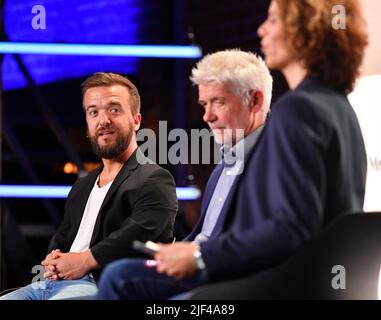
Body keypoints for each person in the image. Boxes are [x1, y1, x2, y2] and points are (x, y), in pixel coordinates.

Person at [187, 0, 369, 299]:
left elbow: (290, 229)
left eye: (272, 20)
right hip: (328, 285)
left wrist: (199, 257)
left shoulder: (298, 108)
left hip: (283, 286)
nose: (262, 30)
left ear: (304, 32)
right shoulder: (339, 106)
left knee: (120, 277)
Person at [95, 49, 274, 299]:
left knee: (118, 276)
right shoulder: (224, 165)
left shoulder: (274, 159)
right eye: (204, 104)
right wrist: (176, 251)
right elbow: (204, 235)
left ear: (254, 101)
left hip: (224, 277)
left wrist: (196, 256)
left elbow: (264, 240)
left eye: (218, 102)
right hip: (200, 268)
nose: (207, 116)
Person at [0, 72, 178, 300]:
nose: (103, 120)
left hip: (100, 285)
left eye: (114, 109)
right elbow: (63, 236)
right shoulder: (82, 186)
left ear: (136, 121)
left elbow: (139, 235)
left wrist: (85, 260)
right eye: (94, 112)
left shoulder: (154, 178)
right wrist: (54, 259)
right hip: (51, 284)